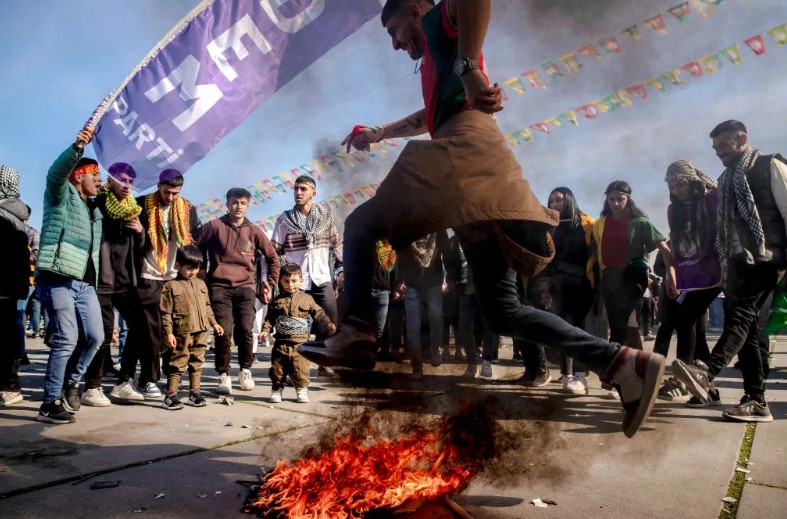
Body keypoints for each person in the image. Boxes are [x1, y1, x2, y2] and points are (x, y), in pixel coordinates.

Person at [299, 0, 666, 438]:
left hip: (464, 154)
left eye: (393, 32)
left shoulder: (437, 20)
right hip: (477, 174)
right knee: (504, 311)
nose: (396, 45)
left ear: (415, 10)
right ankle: (622, 363)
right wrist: (381, 133)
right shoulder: (437, 61)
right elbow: (432, 115)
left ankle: (358, 332)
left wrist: (472, 65)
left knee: (361, 225)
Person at [674, 120, 787, 422]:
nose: (719, 153)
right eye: (715, 148)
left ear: (742, 139)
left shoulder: (769, 165)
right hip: (736, 262)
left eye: (723, 146)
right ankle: (756, 401)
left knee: (740, 316)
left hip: (768, 255)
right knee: (748, 332)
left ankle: (706, 372)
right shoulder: (725, 180)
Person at [36, 128, 104, 424]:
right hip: (58, 276)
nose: (99, 181)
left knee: (95, 337)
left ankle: (72, 382)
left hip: (85, 283)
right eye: (95, 175)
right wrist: (77, 147)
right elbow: (55, 173)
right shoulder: (60, 193)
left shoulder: (94, 210)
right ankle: (49, 402)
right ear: (79, 176)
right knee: (66, 339)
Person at [198, 187, 279, 394]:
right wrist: (201, 275)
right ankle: (223, 375)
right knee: (222, 331)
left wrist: (270, 281)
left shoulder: (254, 230)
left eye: (243, 202)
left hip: (246, 287)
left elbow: (273, 258)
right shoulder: (213, 226)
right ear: (227, 204)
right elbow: (195, 250)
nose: (238, 206)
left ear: (248, 205)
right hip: (219, 287)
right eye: (234, 202)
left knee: (245, 329)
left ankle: (245, 370)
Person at [132, 169, 204, 401]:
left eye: (175, 193)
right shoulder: (142, 204)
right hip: (149, 275)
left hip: (174, 277)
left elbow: (193, 241)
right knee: (151, 333)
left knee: (174, 332)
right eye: (167, 192)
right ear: (159, 186)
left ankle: (170, 376)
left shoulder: (187, 209)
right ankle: (148, 380)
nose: (171, 197)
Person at [655, 161, 722, 404]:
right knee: (697, 330)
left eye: (680, 184)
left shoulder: (712, 199)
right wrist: (672, 275)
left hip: (713, 273)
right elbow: (676, 244)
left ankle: (682, 379)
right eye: (672, 187)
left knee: (684, 321)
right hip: (688, 275)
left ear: (692, 181)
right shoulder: (674, 210)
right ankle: (708, 389)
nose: (676, 190)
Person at [83, 163, 145, 407]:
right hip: (100, 280)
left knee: (141, 326)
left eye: (130, 181)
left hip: (126, 280)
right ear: (109, 181)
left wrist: (140, 231)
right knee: (104, 335)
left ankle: (124, 381)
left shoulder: (133, 210)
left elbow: (142, 248)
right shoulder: (96, 205)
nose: (126, 186)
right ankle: (92, 387)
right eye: (122, 180)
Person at [271, 176, 343, 376]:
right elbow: (274, 251)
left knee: (328, 322)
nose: (298, 192)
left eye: (303, 189)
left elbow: (338, 246)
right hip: (297, 282)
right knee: (293, 325)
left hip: (321, 278)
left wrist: (343, 270)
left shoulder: (326, 217)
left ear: (314, 192)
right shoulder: (285, 220)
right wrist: (283, 276)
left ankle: (323, 364)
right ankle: (289, 365)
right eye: (296, 189)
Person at [592, 181, 674, 350]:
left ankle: (613, 359)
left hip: (634, 274)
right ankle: (632, 359)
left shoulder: (641, 222)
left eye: (620, 199)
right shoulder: (600, 224)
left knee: (621, 317)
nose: (615, 203)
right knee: (615, 321)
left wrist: (671, 277)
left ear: (628, 199)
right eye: (611, 199)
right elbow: (598, 252)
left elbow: (665, 249)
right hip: (609, 275)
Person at [260, 263, 336, 403]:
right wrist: (265, 331)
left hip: (300, 344)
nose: (290, 285)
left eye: (294, 281)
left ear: (301, 280)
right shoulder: (277, 301)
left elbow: (318, 313)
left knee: (301, 369)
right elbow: (269, 318)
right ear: (280, 281)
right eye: (286, 281)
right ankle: (277, 390)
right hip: (281, 344)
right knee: (277, 369)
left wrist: (328, 324)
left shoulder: (307, 299)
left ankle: (301, 390)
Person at [544, 187, 596, 395]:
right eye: (552, 201)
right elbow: (547, 258)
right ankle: (567, 377)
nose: (554, 204)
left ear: (570, 201)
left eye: (559, 200)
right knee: (562, 331)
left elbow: (595, 255)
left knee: (580, 331)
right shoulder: (550, 226)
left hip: (582, 285)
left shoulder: (586, 224)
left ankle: (581, 376)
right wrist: (545, 286)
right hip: (559, 285)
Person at [160, 245, 224, 410]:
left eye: (196, 268)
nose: (193, 272)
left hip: (202, 331)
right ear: (178, 266)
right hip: (182, 332)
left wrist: (214, 323)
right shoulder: (170, 286)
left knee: (197, 362)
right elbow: (165, 312)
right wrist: (169, 333)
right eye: (189, 268)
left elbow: (207, 306)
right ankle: (171, 395)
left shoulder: (201, 284)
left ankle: (195, 393)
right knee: (178, 362)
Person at [397, 232, 451, 380]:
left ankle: (435, 350)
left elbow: (447, 253)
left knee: (435, 316)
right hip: (412, 284)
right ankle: (416, 366)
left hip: (433, 283)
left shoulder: (438, 229)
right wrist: (399, 281)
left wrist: (450, 279)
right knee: (412, 326)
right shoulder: (409, 228)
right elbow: (400, 255)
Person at [0, 165, 32, 407]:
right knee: (10, 334)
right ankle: (10, 386)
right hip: (14, 284)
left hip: (4, 284)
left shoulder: (2, 213)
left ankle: (9, 385)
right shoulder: (20, 214)